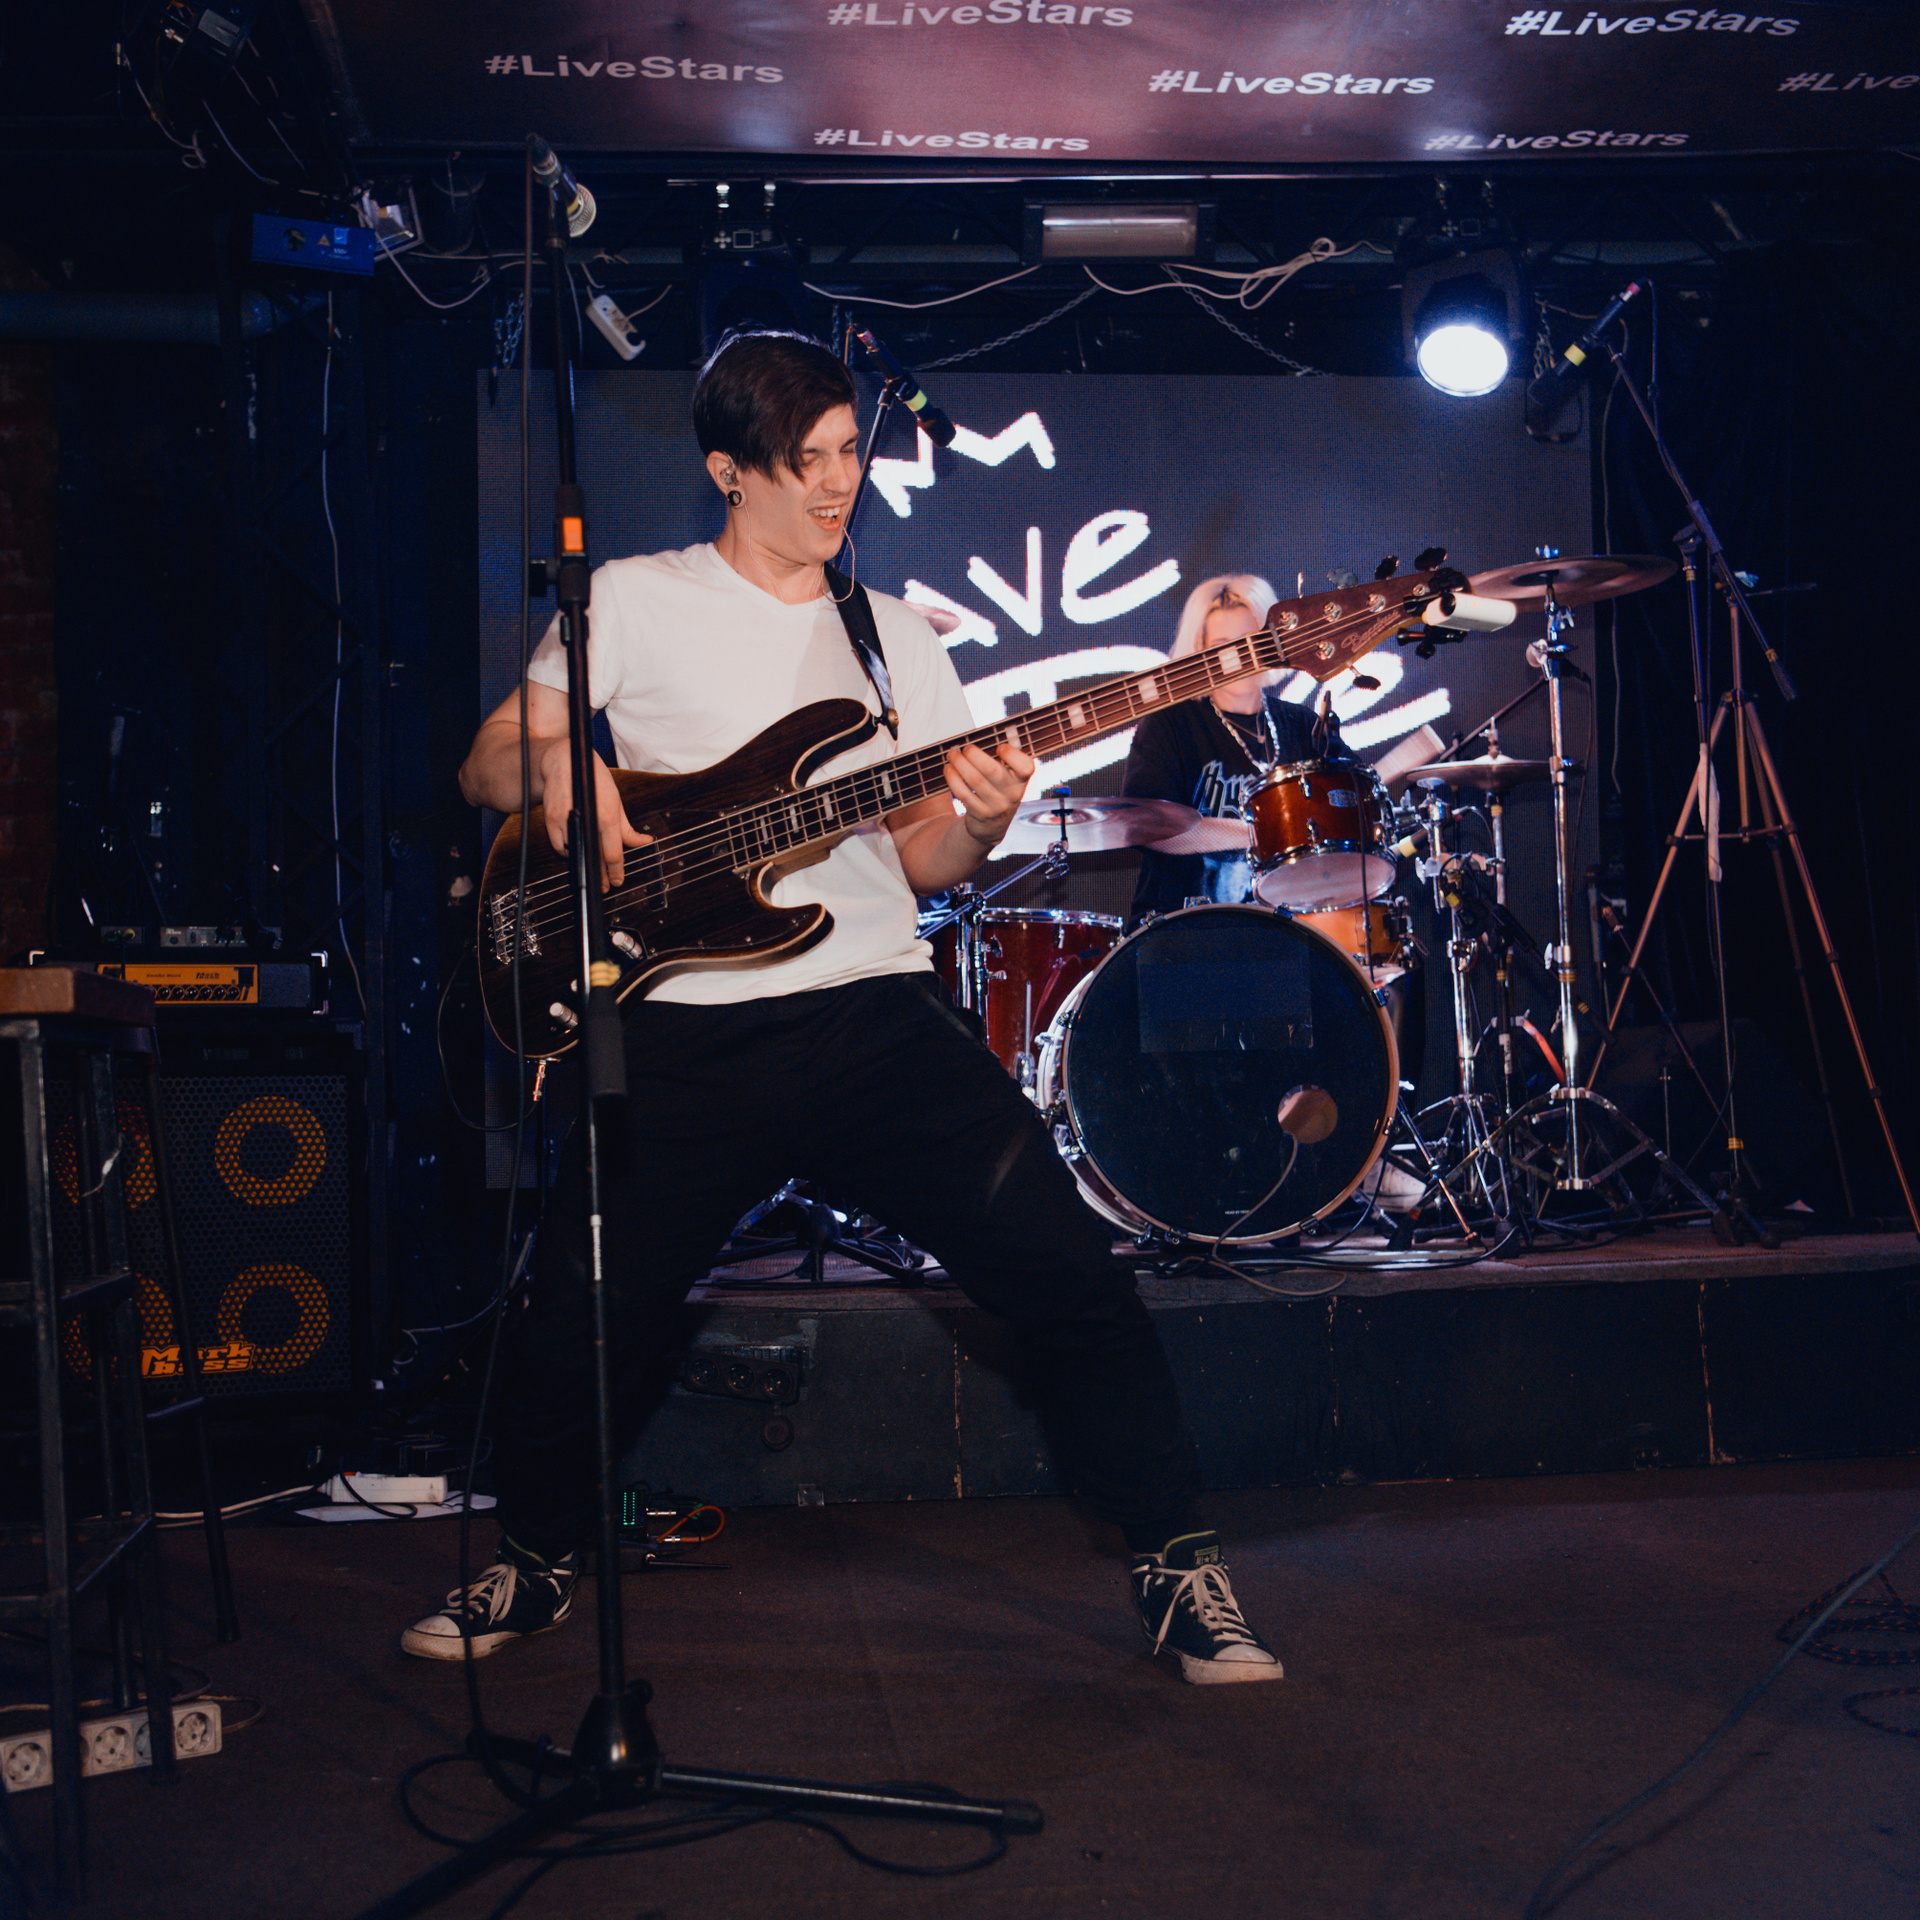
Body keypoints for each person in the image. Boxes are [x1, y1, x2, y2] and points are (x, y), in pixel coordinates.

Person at [403, 332, 1281, 1685]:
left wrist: (979, 818)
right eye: (803, 461)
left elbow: (924, 861)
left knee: (1068, 1270)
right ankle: (534, 1554)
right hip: (685, 1024)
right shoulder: (632, 600)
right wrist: (561, 769)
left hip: (869, 1013)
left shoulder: (893, 639)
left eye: (846, 454)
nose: (836, 484)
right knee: (585, 1306)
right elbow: (485, 761)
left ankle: (1177, 1562)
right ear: (727, 470)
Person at [1122, 574, 1343, 928]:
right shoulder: (1169, 724)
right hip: (1179, 934)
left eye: (1250, 640)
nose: (1240, 656)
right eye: (1222, 645)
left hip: (1285, 932)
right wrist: (1266, 834)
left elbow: (1352, 805)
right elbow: (1148, 826)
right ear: (1200, 650)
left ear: (1273, 642)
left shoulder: (1302, 725)